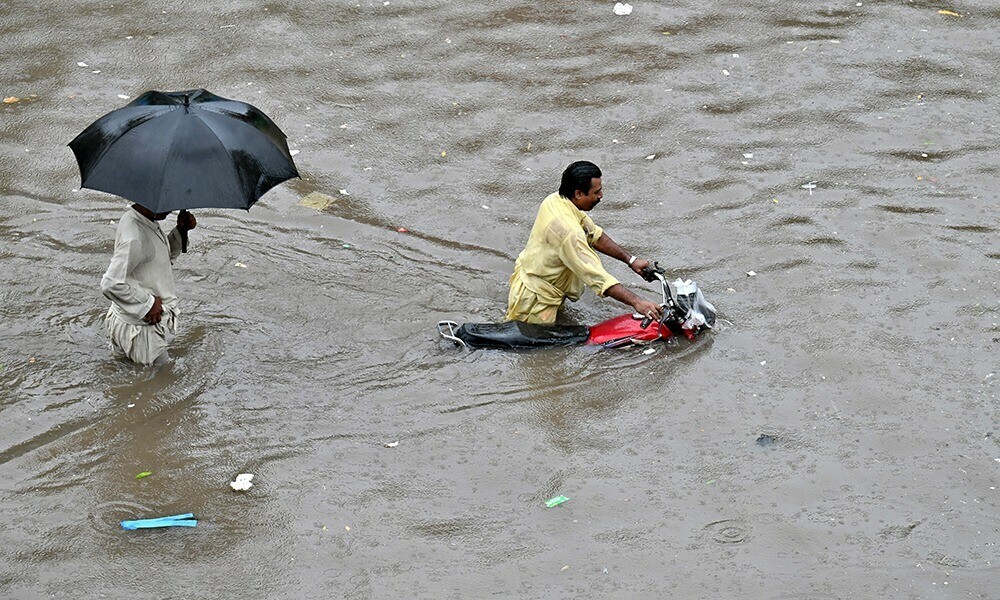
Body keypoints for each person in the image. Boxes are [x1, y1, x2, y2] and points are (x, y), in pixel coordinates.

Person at [506, 161, 664, 325]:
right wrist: (638, 302)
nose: (601, 196)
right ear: (579, 194)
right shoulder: (569, 232)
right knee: (538, 347)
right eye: (597, 192)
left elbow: (593, 234)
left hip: (534, 284)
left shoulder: (555, 200)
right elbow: (597, 277)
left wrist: (631, 261)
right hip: (536, 301)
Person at [100, 205, 196, 365]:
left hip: (126, 321)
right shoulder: (135, 237)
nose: (171, 207)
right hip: (142, 331)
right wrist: (149, 303)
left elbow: (156, 257)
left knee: (129, 376)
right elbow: (110, 284)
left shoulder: (136, 219)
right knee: (162, 381)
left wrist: (180, 231)